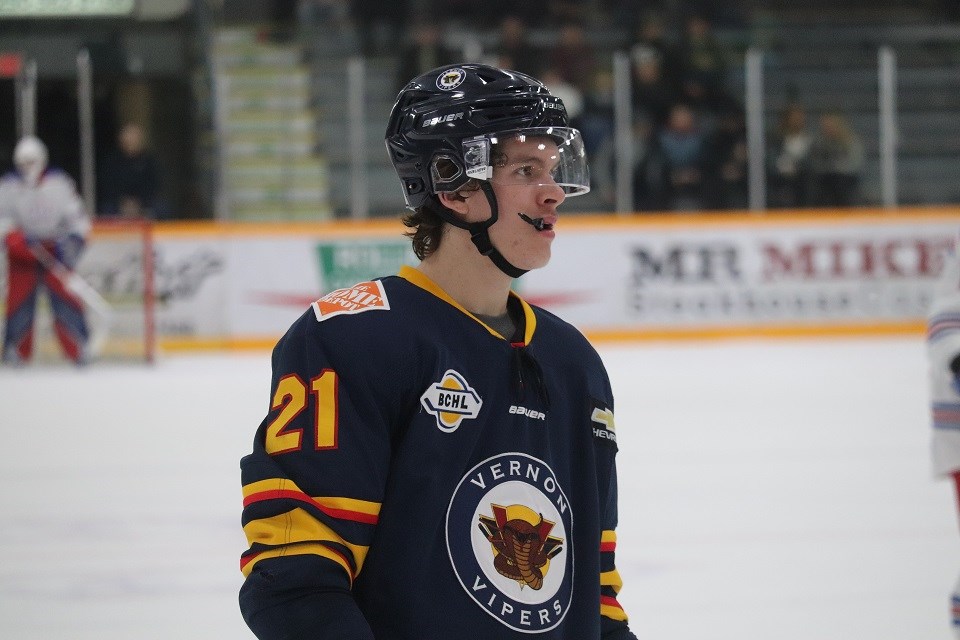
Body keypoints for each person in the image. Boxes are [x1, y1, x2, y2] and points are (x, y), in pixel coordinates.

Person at [238, 63, 639, 640]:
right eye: (526, 170)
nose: (554, 192)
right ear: (452, 184)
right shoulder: (353, 338)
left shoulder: (573, 361)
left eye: (553, 169)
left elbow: (594, 595)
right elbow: (297, 584)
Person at [0, 135, 91, 365]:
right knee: (19, 301)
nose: (26, 168)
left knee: (65, 298)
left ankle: (78, 346)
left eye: (31, 162)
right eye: (22, 163)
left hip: (54, 250)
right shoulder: (8, 186)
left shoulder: (59, 184)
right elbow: (3, 220)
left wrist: (70, 243)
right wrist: (14, 238)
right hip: (23, 253)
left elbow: (77, 220)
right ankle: (16, 350)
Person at [97, 122, 160, 218]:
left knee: (161, 208)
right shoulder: (112, 161)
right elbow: (107, 186)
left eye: (134, 137)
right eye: (127, 137)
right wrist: (123, 202)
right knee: (106, 209)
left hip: (144, 204)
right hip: (118, 205)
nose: (130, 141)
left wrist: (138, 203)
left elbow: (154, 185)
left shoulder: (149, 161)